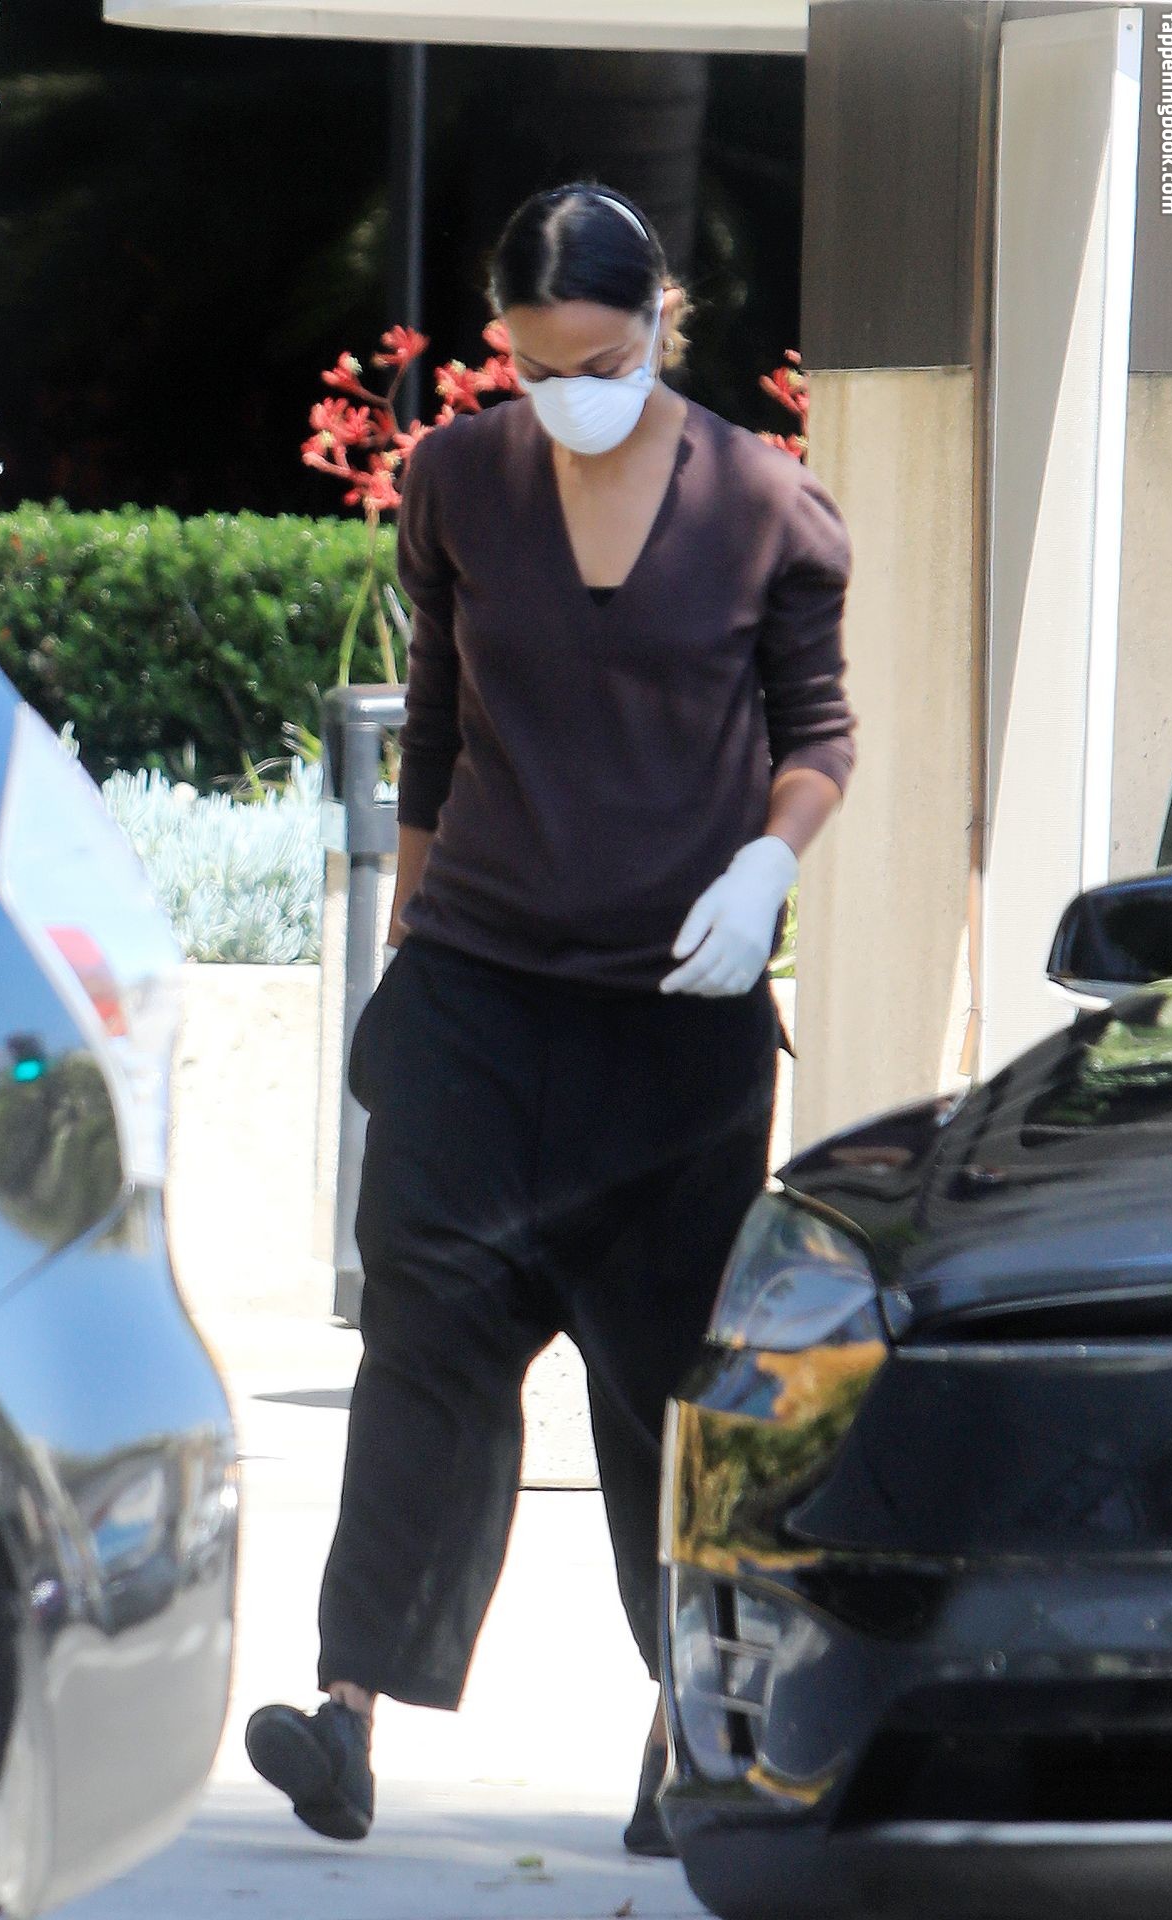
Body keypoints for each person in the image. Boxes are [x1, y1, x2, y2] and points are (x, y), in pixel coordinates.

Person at [245, 181, 857, 1859]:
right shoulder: (459, 481)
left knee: (669, 1392)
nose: (570, 394)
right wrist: (406, 941)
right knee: (424, 1343)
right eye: (534, 365)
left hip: (673, 1029)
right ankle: (346, 1714)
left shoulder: (766, 506)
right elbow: (439, 727)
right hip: (480, 997)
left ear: (661, 320)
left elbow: (818, 733)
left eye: (599, 360)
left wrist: (767, 865)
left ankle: (687, 1735)